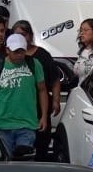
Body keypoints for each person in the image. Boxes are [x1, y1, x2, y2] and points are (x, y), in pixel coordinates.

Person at [0, 33, 47, 154]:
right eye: (16, 52)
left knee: (24, 157)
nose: (19, 55)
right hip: (2, 124)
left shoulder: (34, 64)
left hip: (27, 124)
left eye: (22, 51)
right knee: (5, 158)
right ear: (7, 50)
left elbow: (42, 90)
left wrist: (44, 116)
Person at [12, 19, 65, 158]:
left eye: (24, 34)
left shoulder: (42, 55)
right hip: (17, 109)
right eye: (17, 35)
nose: (21, 38)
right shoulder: (10, 55)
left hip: (39, 106)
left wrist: (56, 100)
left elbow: (55, 79)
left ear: (30, 35)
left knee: (41, 142)